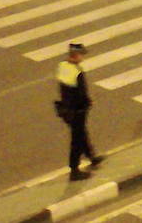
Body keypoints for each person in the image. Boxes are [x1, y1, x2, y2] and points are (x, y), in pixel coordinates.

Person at [56, 43, 104, 181]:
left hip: (66, 108)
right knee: (77, 140)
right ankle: (74, 170)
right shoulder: (77, 72)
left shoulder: (63, 66)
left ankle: (92, 157)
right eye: (81, 55)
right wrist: (88, 102)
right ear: (75, 55)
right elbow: (81, 93)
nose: (82, 58)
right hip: (77, 110)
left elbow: (65, 89)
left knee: (81, 133)